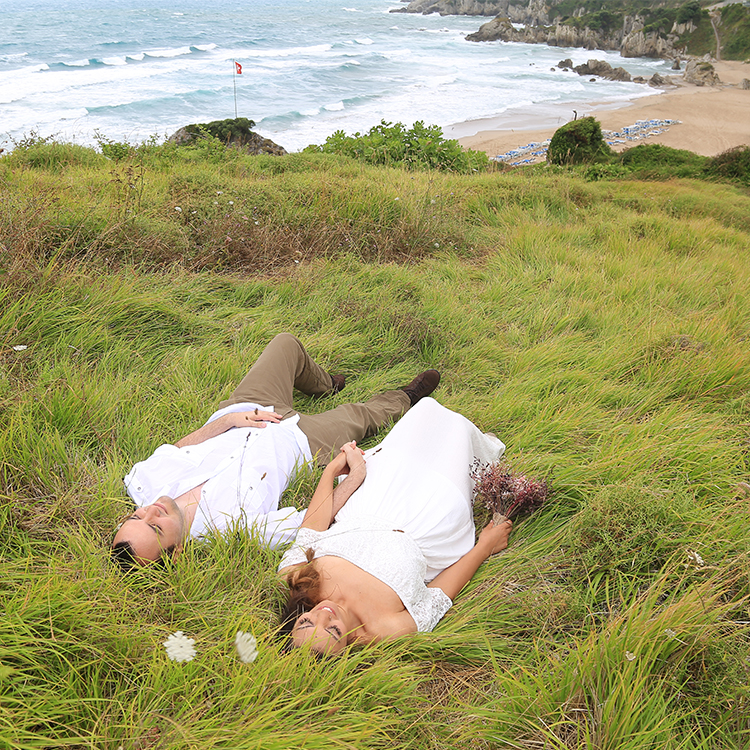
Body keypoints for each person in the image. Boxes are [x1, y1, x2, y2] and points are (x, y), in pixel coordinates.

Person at [111, 333, 440, 569]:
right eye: (155, 527)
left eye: (137, 516)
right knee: (361, 416)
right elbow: (308, 524)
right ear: (178, 551)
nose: (151, 512)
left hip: (247, 409)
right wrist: (353, 478)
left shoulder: (142, 485)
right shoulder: (231, 531)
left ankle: (325, 385)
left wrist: (229, 420)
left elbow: (178, 447)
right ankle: (406, 397)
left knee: (285, 344)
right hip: (301, 439)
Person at [277, 397, 512, 655]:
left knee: (426, 409)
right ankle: (478, 450)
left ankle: (470, 447)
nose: (324, 614)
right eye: (333, 630)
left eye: (306, 622)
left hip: (370, 503)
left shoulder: (295, 580)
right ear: (345, 649)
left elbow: (312, 529)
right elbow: (439, 595)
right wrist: (484, 547)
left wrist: (332, 470)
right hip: (427, 524)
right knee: (456, 436)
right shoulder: (386, 628)